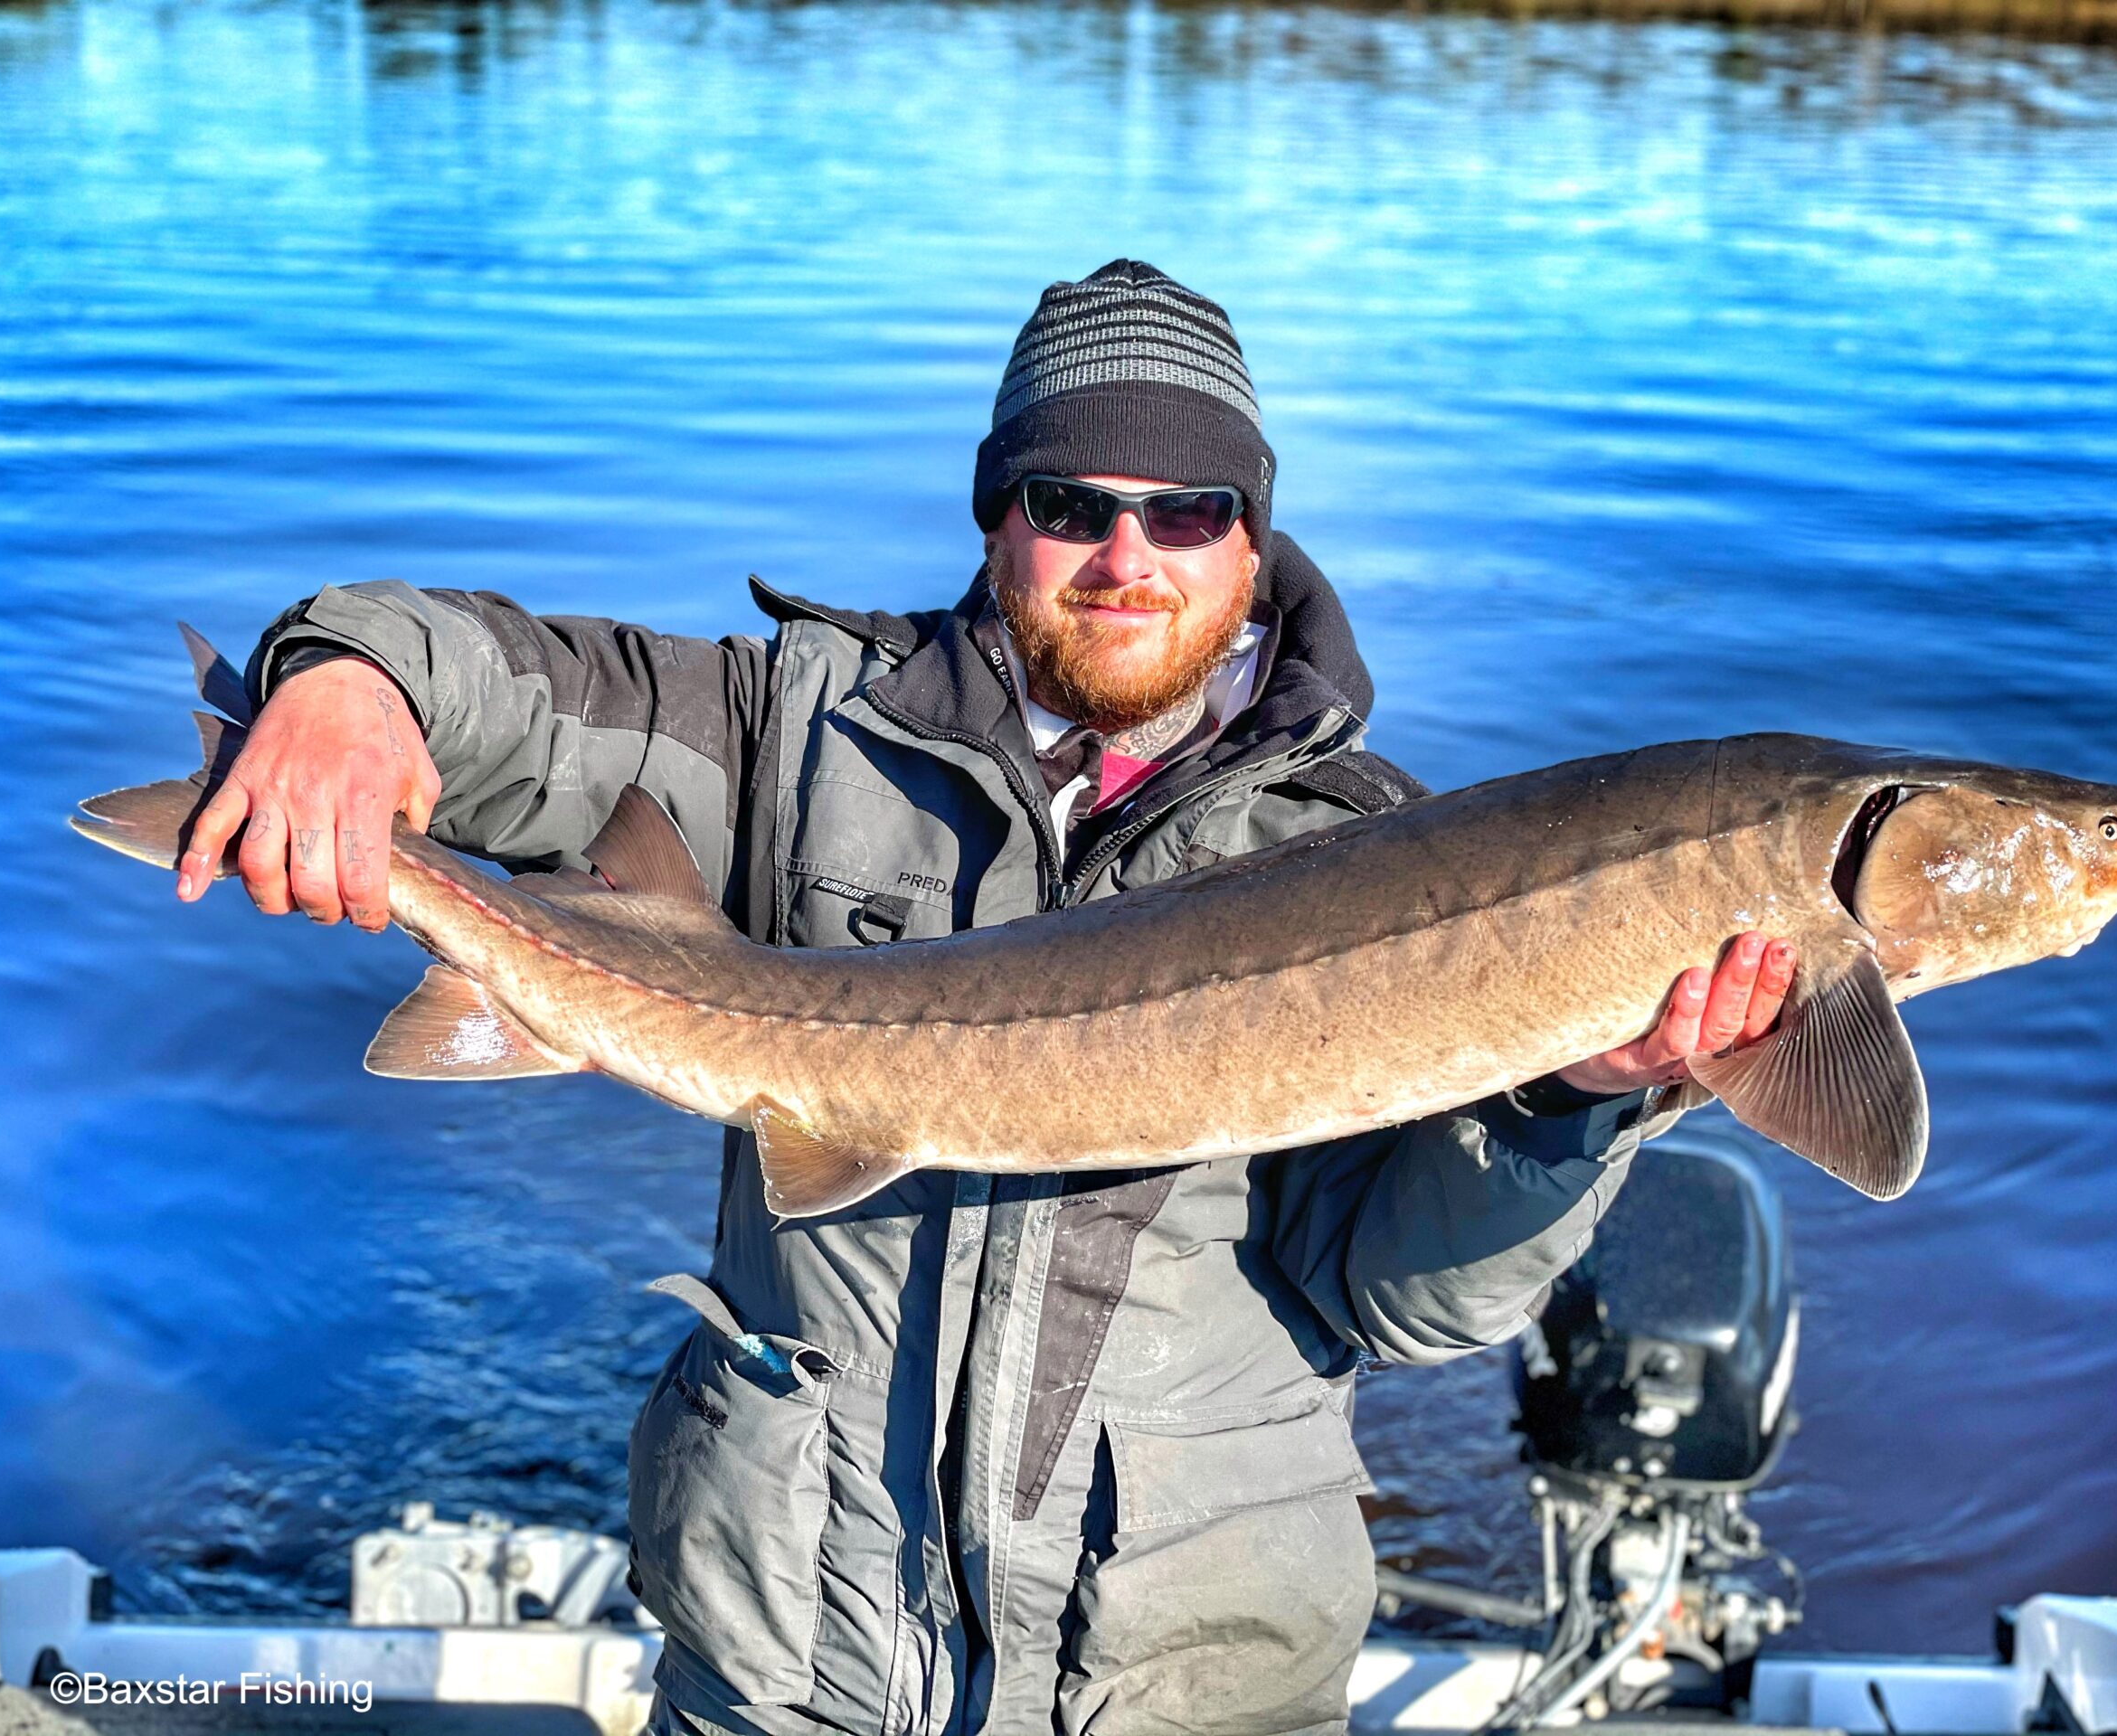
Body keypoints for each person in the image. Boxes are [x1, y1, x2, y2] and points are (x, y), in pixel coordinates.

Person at [179, 260, 1794, 1736]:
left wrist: (1580, 1104)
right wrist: (346, 681)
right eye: (1069, 499)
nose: (1125, 557)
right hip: (786, 1667)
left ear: (1255, 537)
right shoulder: (799, 729)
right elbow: (505, 683)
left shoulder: (1378, 862)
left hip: (1184, 1690)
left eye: (1187, 510)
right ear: (994, 515)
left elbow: (1407, 1305)